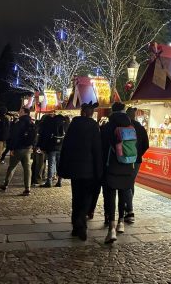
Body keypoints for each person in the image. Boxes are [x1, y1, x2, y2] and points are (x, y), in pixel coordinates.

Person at [58, 101, 102, 241]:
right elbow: (97, 149)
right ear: (90, 113)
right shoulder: (93, 126)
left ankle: (76, 226)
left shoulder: (73, 125)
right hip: (89, 169)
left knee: (76, 196)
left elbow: (66, 146)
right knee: (86, 197)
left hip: (75, 168)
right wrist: (99, 169)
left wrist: (63, 167)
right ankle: (80, 224)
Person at [101, 102, 136, 243]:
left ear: (112, 112)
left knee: (110, 195)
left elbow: (101, 147)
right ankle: (121, 222)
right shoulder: (131, 126)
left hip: (111, 166)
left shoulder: (107, 127)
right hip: (128, 165)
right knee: (123, 192)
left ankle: (111, 229)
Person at [0, 107, 36, 196]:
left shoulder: (19, 122)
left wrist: (11, 148)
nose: (19, 113)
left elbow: (14, 135)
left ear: (24, 112)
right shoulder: (31, 122)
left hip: (18, 148)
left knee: (12, 166)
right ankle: (27, 188)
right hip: (27, 148)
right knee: (27, 168)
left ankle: (5, 184)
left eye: (20, 111)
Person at [123, 107, 149, 223]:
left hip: (127, 159)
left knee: (127, 183)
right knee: (130, 182)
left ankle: (129, 209)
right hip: (137, 160)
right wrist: (139, 155)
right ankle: (128, 206)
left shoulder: (124, 126)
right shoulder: (140, 127)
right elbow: (146, 145)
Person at [38, 112, 66, 187]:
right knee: (59, 165)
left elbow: (46, 136)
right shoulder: (63, 123)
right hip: (61, 146)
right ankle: (59, 181)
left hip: (52, 147)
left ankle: (49, 182)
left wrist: (43, 147)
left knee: (51, 164)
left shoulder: (51, 123)